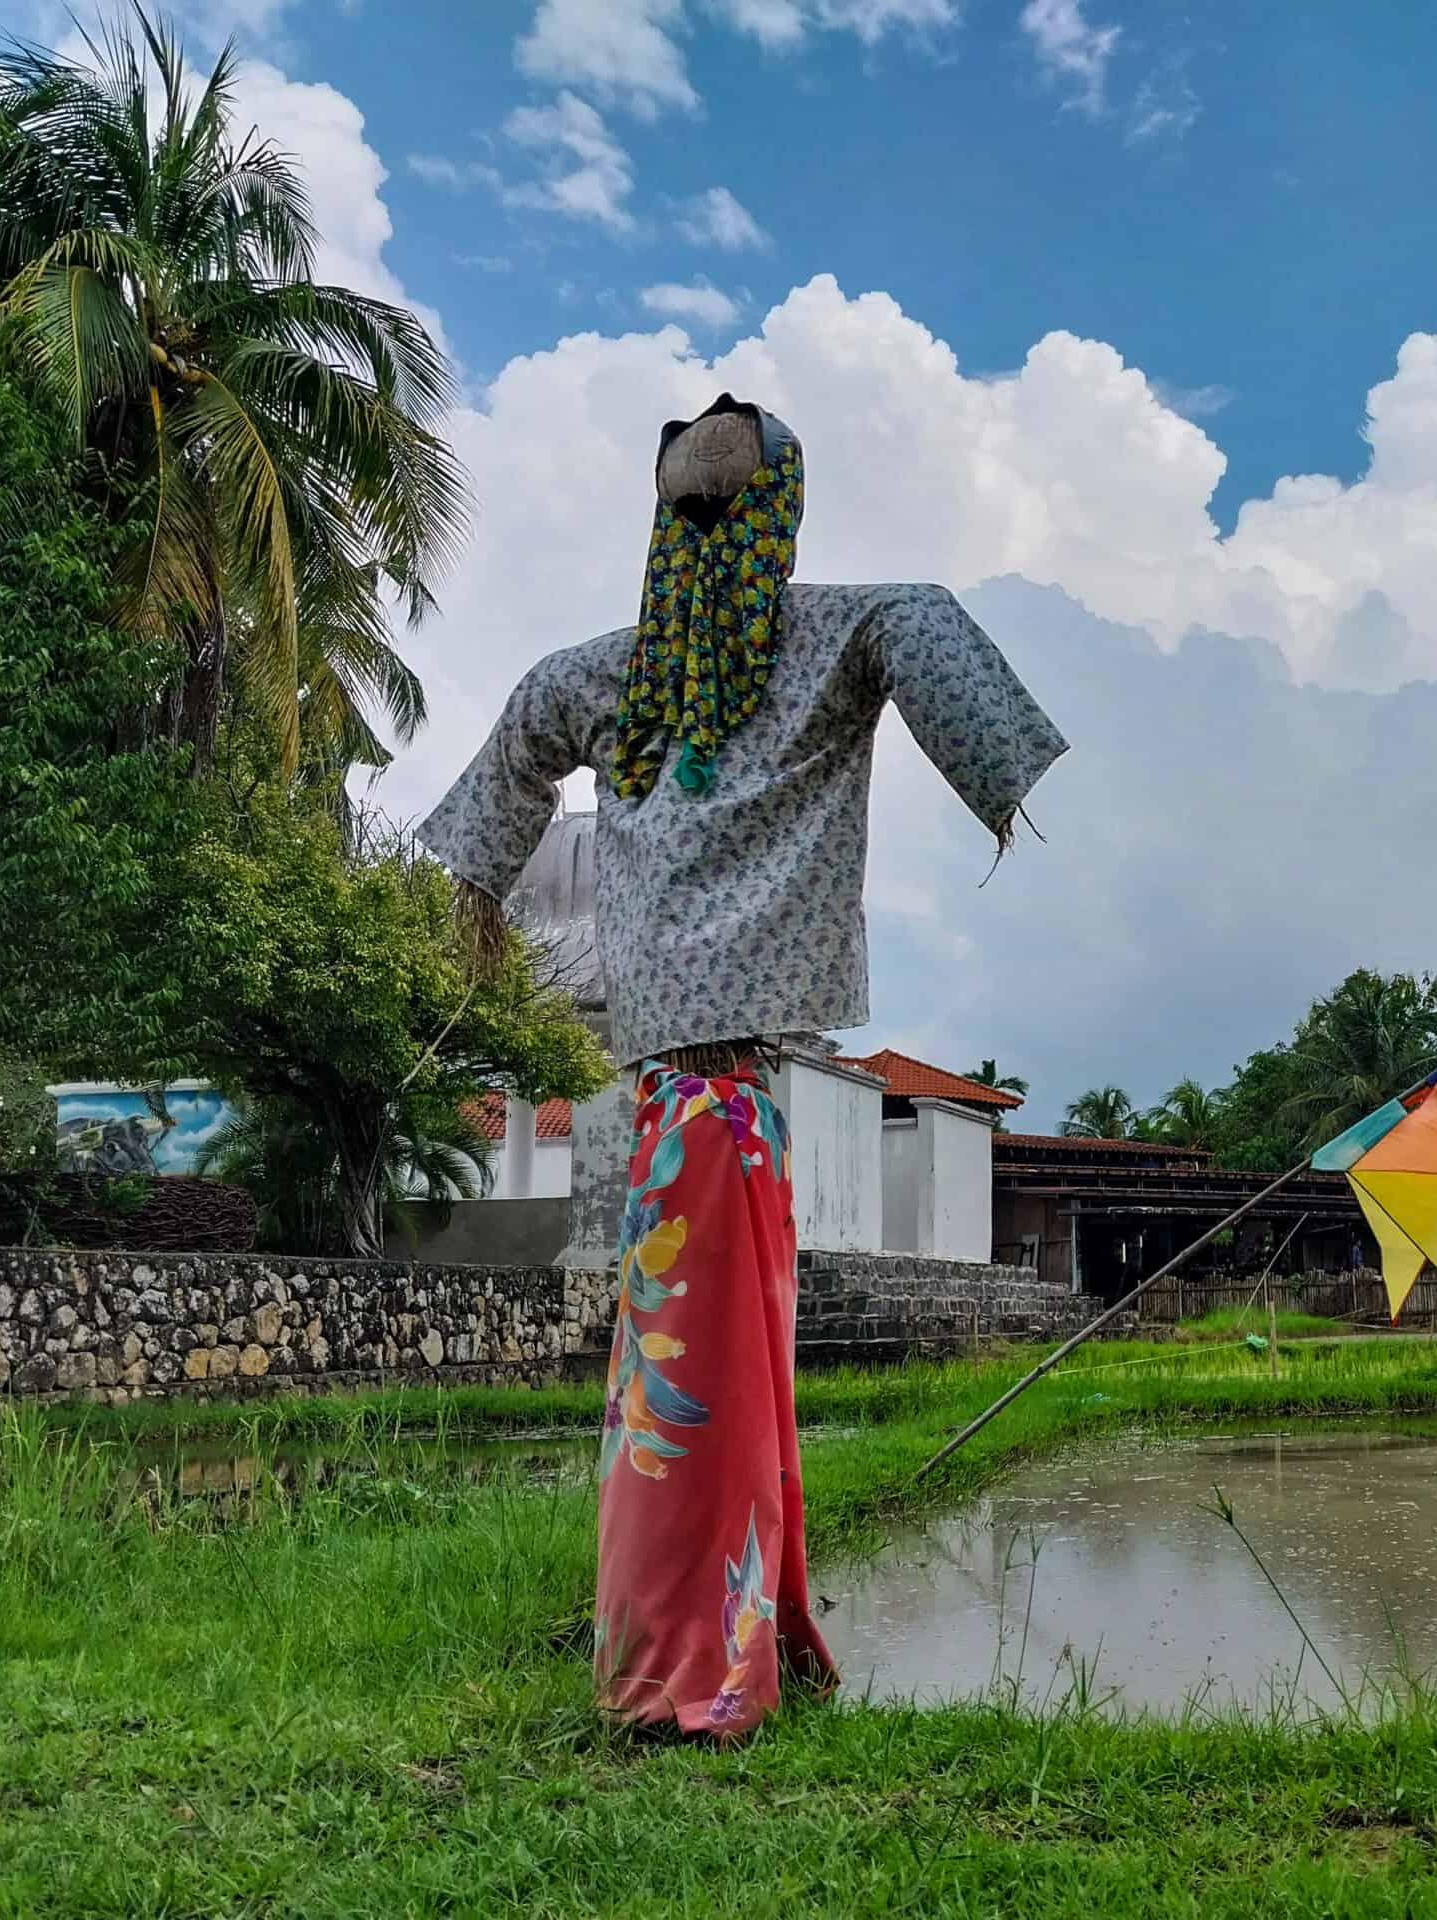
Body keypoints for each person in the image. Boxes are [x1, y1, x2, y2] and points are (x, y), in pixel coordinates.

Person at [420, 395, 1066, 1738]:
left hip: (700, 1103)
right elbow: (915, 616)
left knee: (715, 1387)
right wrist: (999, 777)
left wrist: (476, 897)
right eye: (709, 514)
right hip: (708, 1109)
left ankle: (741, 1637)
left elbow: (524, 742)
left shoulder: (616, 680)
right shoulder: (799, 645)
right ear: (784, 518)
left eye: (708, 510)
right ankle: (683, 1678)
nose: (711, 536)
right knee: (695, 1397)